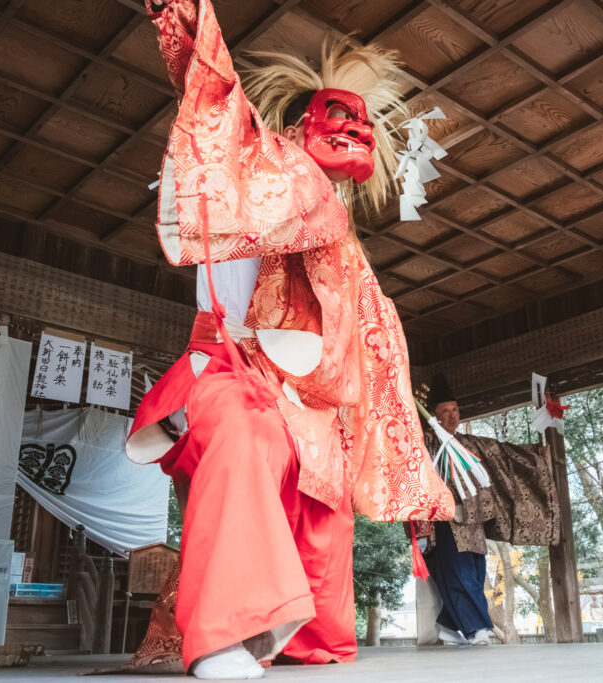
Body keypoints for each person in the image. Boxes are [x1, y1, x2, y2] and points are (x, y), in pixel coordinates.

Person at [125, 1, 454, 678]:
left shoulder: (338, 235)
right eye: (338, 118)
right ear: (299, 127)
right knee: (247, 439)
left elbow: (365, 346)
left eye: (360, 125)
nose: (353, 132)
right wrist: (182, 20)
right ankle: (224, 634)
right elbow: (211, 91)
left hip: (311, 401)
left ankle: (270, 623)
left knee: (325, 626)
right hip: (232, 371)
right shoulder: (262, 169)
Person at [414, 374, 494, 647]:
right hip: (444, 519)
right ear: (433, 417)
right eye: (444, 412)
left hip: (471, 520)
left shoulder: (468, 444)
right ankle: (476, 628)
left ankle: (448, 626)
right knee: (458, 572)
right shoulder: (424, 444)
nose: (451, 416)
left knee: (475, 571)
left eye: (455, 410)